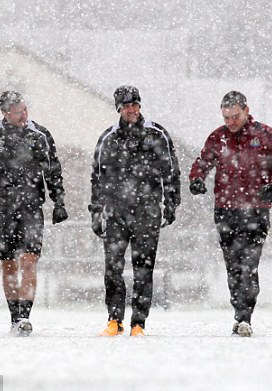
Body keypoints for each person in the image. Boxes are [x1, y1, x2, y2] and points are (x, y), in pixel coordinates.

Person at [189, 91, 272, 337]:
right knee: (233, 266)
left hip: (256, 211)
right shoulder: (218, 138)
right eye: (226, 117)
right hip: (225, 211)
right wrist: (196, 179)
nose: (231, 122)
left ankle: (245, 315)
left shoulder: (266, 135)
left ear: (246, 111)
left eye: (235, 116)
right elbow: (202, 162)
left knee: (249, 264)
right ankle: (239, 313)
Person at [0, 91, 68, 337]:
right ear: (5, 113)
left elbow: (53, 170)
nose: (24, 115)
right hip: (2, 210)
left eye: (25, 109)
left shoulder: (39, 135)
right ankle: (14, 317)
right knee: (9, 264)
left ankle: (24, 316)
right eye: (19, 112)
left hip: (31, 208)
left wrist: (59, 201)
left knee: (30, 261)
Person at [90, 85, 181, 337]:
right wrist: (96, 212)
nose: (131, 109)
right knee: (113, 268)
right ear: (118, 108)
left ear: (140, 105)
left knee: (143, 268)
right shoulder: (108, 138)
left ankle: (138, 322)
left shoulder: (156, 134)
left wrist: (172, 203)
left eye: (135, 105)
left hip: (147, 212)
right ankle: (114, 319)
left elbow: (171, 172)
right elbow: (97, 178)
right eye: (126, 106)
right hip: (116, 213)